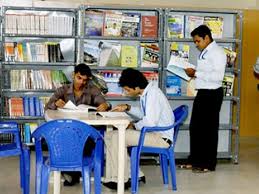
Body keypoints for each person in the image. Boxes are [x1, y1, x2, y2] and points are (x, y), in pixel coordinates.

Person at [102, 68, 174, 190]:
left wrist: (134, 126)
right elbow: (144, 114)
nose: (126, 93)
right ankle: (129, 175)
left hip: (161, 138)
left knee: (117, 136)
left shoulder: (153, 94)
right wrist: (128, 108)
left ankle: (121, 179)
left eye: (127, 90)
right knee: (109, 135)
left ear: (136, 87)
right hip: (154, 134)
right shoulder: (147, 93)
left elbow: (150, 122)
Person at [45, 63, 111, 185]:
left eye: (85, 80)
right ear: (73, 75)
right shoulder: (63, 90)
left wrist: (105, 105)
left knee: (84, 139)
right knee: (65, 138)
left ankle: (72, 172)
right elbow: (48, 106)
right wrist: (55, 104)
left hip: (87, 130)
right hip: (68, 129)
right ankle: (72, 170)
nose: (81, 82)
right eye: (79, 78)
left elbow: (104, 104)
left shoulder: (93, 90)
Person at [182, 25, 227, 173]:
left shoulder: (218, 53)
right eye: (195, 41)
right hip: (202, 92)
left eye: (198, 41)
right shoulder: (205, 52)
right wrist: (193, 72)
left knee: (209, 129)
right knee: (196, 128)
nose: (196, 44)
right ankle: (195, 159)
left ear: (207, 37)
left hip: (213, 94)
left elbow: (218, 77)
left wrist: (196, 73)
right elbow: (206, 71)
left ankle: (208, 163)